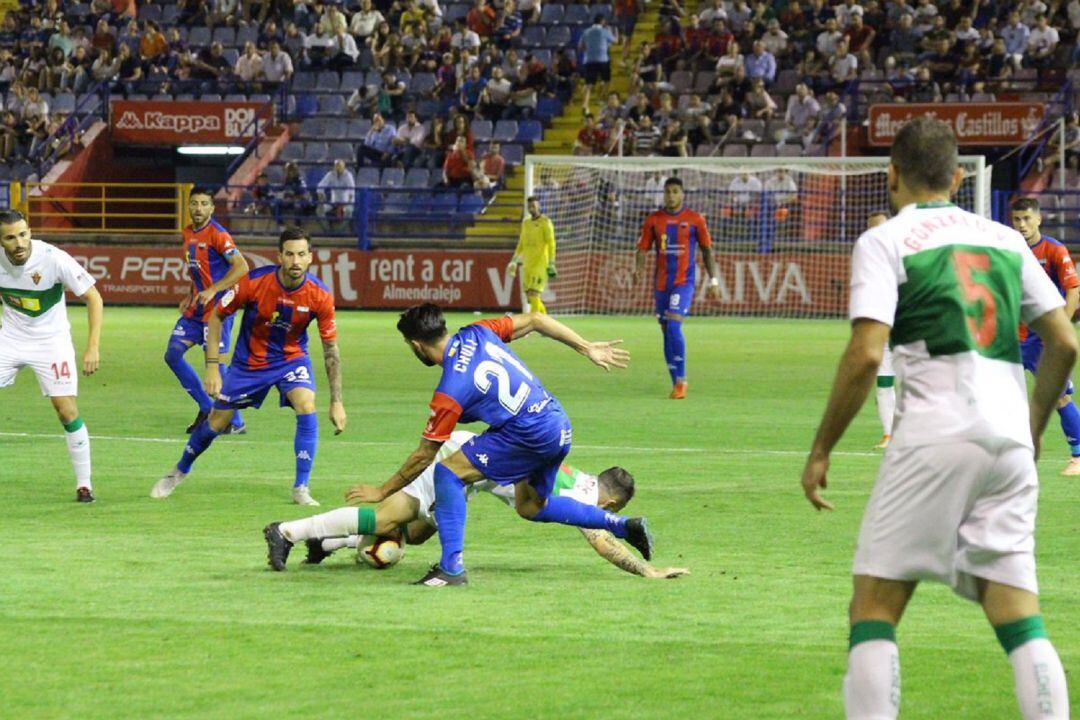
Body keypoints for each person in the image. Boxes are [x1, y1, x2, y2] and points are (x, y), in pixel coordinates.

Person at [800, 117, 1073, 720]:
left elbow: (869, 352)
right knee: (1017, 612)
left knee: (874, 604)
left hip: (934, 437)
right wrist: (1029, 430)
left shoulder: (886, 240)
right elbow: (1064, 342)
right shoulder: (1004, 239)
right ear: (956, 177)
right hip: (1007, 444)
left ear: (891, 174)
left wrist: (821, 449)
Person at [339, 304, 651, 587]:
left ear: (416, 345)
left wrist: (383, 491)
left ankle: (451, 569)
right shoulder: (478, 332)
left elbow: (424, 455)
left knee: (447, 474)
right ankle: (622, 525)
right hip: (557, 423)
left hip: (527, 432)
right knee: (530, 506)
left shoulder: (449, 390)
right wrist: (585, 347)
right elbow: (536, 319)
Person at [265, 430, 690, 580]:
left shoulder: (578, 475)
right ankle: (286, 531)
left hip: (471, 464)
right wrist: (647, 570)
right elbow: (605, 544)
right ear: (611, 501)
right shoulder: (586, 499)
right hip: (461, 457)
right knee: (389, 517)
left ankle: (328, 545)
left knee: (414, 532)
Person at [152, 227, 347, 507]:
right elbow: (218, 316)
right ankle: (179, 470)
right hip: (248, 365)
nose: (295, 261)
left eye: (301, 254)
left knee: (306, 404)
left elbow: (331, 350)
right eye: (289, 254)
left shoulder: (320, 295)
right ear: (279, 256)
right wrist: (212, 366)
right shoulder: (254, 283)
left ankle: (301, 487)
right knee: (216, 423)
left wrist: (337, 402)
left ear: (310, 258)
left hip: (291, 359)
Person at [0, 210, 103, 503]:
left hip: (51, 342)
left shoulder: (53, 258)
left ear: (30, 231)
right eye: (10, 237)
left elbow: (94, 297)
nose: (19, 243)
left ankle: (84, 484)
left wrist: (92, 346)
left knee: (66, 410)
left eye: (23, 234)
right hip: (10, 338)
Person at [165, 187, 249, 436]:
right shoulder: (188, 232)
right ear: (188, 207)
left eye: (204, 204)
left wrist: (213, 290)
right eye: (194, 203)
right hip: (198, 305)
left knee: (216, 364)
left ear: (212, 208)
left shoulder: (218, 235)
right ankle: (206, 407)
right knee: (173, 353)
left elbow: (242, 267)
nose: (198, 208)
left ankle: (236, 421)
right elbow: (198, 270)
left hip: (219, 307)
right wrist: (190, 294)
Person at [1010, 197, 1080, 475]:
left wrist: (1060, 329)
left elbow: (1073, 289)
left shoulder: (1054, 249)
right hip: (1013, 335)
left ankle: (1078, 455)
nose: (1022, 225)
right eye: (1017, 219)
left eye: (1027, 218)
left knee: (1059, 397)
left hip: (1042, 337)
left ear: (1038, 219)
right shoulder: (1008, 250)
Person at [633, 178, 720, 399]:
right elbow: (643, 248)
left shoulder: (695, 220)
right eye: (667, 192)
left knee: (673, 326)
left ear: (682, 194)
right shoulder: (654, 220)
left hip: (684, 283)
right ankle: (675, 382)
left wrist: (714, 281)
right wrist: (638, 269)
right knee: (666, 332)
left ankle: (682, 380)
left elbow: (707, 250)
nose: (671, 196)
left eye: (675, 191)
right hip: (661, 284)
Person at [865, 211, 894, 449]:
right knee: (884, 381)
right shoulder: (867, 260)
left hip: (910, 328)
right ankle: (889, 434)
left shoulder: (905, 254)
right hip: (883, 328)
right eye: (872, 228)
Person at [507, 196, 556, 314]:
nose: (531, 208)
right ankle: (546, 323)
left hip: (540, 264)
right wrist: (513, 260)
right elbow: (521, 243)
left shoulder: (545, 222)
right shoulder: (526, 223)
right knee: (531, 297)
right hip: (527, 264)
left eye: (533, 206)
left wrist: (551, 262)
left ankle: (532, 326)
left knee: (534, 294)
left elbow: (551, 243)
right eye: (529, 206)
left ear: (539, 206)